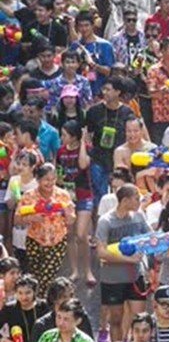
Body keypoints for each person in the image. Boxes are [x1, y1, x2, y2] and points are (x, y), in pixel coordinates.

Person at [95, 183, 151, 342]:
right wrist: (128, 259)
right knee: (116, 320)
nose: (140, 201)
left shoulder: (139, 216)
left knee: (139, 318)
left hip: (135, 276)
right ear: (125, 200)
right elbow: (101, 252)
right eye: (136, 198)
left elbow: (150, 237)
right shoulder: (106, 221)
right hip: (113, 278)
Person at [14, 163, 75, 297]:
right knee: (35, 276)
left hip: (56, 242)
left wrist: (68, 213)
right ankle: (38, 304)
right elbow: (17, 219)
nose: (50, 182)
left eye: (53, 179)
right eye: (46, 179)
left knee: (46, 277)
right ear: (38, 179)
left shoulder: (63, 195)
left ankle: (40, 303)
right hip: (34, 241)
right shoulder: (29, 196)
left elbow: (71, 221)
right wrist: (31, 218)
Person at [56, 120, 95, 285]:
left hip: (84, 195)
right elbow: (58, 172)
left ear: (73, 137)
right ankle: (74, 270)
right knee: (70, 235)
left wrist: (83, 143)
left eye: (64, 135)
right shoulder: (60, 152)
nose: (62, 137)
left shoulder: (86, 149)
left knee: (81, 235)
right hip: (67, 197)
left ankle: (88, 270)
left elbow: (83, 164)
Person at [86, 76, 134, 207]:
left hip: (118, 159)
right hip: (98, 158)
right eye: (104, 89)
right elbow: (88, 134)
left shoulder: (127, 112)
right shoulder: (94, 111)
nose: (105, 92)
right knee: (99, 196)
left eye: (108, 89)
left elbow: (132, 133)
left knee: (119, 194)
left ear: (118, 92)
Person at [1, 274, 49, 342]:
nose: (24, 297)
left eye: (28, 293)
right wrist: (6, 341)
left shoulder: (44, 307)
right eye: (20, 293)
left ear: (35, 293)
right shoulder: (10, 309)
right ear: (15, 293)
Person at [28, 277, 93, 342]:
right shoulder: (41, 325)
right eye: (64, 296)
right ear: (54, 299)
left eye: (72, 295)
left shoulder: (81, 317)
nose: (70, 299)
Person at [72, 10, 116, 96]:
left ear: (93, 26)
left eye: (87, 25)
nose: (84, 29)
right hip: (79, 92)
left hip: (100, 92)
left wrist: (93, 65)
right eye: (80, 26)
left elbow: (109, 71)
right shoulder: (75, 46)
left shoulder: (105, 45)